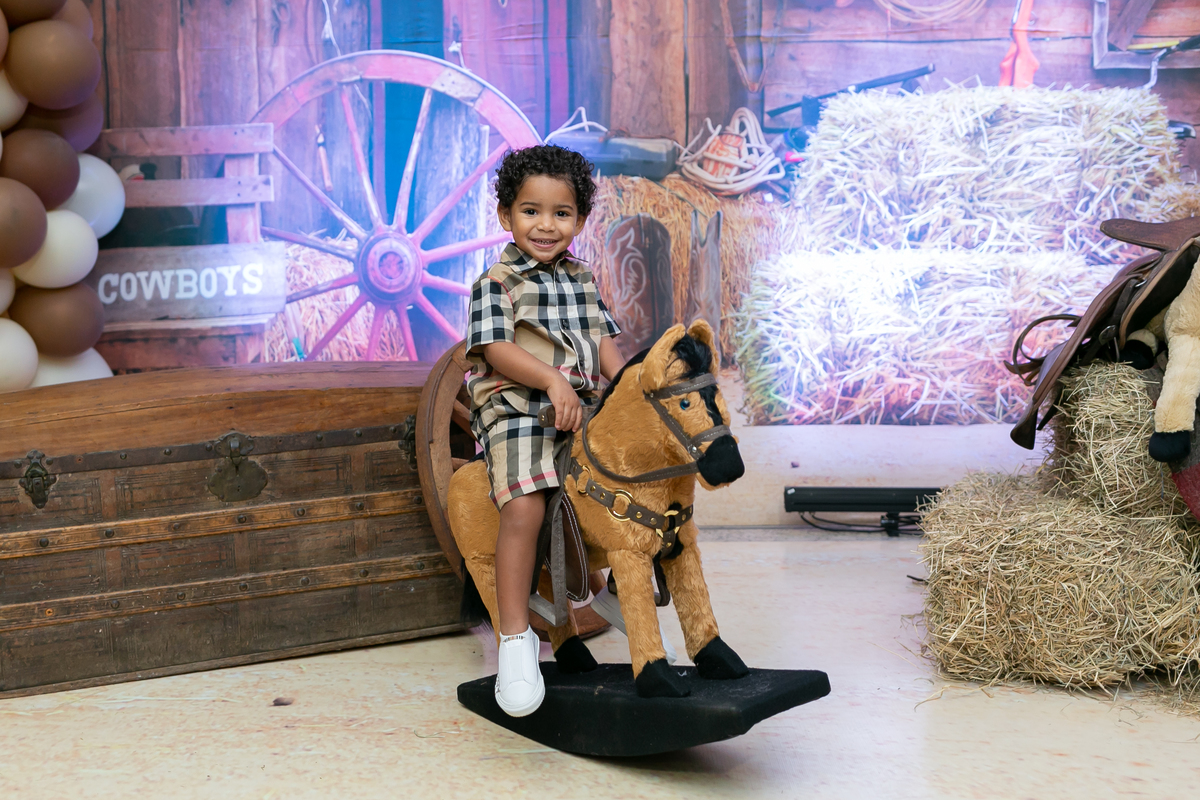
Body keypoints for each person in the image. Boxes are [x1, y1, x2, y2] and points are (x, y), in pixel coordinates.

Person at [465, 145, 625, 717]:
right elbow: (496, 349)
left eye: (561, 213)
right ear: (505, 215)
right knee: (526, 507)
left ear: (580, 221)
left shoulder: (583, 278)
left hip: (579, 409)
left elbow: (604, 346)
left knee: (634, 482)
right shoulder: (495, 282)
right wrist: (554, 380)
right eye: (531, 211)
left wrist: (628, 386)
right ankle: (515, 639)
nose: (546, 225)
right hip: (516, 408)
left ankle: (619, 593)